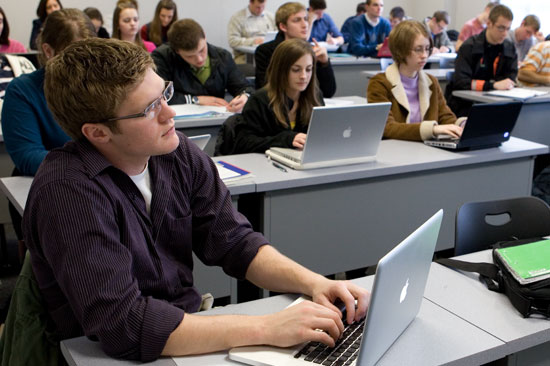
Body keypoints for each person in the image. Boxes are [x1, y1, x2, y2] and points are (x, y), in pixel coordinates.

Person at [24, 36, 370, 361]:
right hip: (106, 355)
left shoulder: (175, 153)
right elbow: (125, 325)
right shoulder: (67, 193)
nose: (169, 113)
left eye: (165, 94)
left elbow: (234, 242)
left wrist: (316, 283)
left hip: (183, 332)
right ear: (97, 132)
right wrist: (266, 328)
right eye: (148, 109)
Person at [1, 9, 94, 245]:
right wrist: (93, 164)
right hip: (48, 188)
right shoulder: (23, 91)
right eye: (71, 57)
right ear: (48, 51)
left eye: (89, 56)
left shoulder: (101, 87)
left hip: (96, 184)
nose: (82, 66)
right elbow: (27, 155)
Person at [367, 21, 463, 141]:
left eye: (427, 49)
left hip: (427, 150)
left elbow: (445, 117)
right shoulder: (379, 83)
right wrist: (431, 130)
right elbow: (386, 127)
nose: (424, 55)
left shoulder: (431, 81)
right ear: (400, 50)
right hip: (395, 151)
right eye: (418, 49)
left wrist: (461, 125)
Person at [236, 38, 323, 153]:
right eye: (296, 70)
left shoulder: (315, 97)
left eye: (308, 69)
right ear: (281, 70)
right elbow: (244, 143)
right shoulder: (260, 100)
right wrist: (287, 139)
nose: (304, 76)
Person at [152, 19, 253, 112]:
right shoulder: (162, 57)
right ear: (177, 51)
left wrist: (245, 96)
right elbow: (158, 96)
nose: (199, 59)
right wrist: (194, 100)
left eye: (202, 50)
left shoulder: (223, 56)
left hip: (216, 120)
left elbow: (244, 87)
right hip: (179, 123)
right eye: (190, 56)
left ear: (204, 36)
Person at [446, 5, 517, 117]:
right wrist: (493, 85)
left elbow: (511, 77)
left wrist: (503, 84)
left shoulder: (509, 47)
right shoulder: (469, 47)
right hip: (465, 105)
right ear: (489, 23)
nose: (505, 33)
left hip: (497, 102)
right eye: (501, 28)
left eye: (508, 29)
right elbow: (461, 82)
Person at [255, 2, 336, 98]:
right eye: (297, 20)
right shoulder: (265, 51)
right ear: (283, 27)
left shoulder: (311, 50)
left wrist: (324, 63)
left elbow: (328, 92)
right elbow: (267, 89)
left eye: (306, 19)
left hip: (307, 107)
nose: (305, 25)